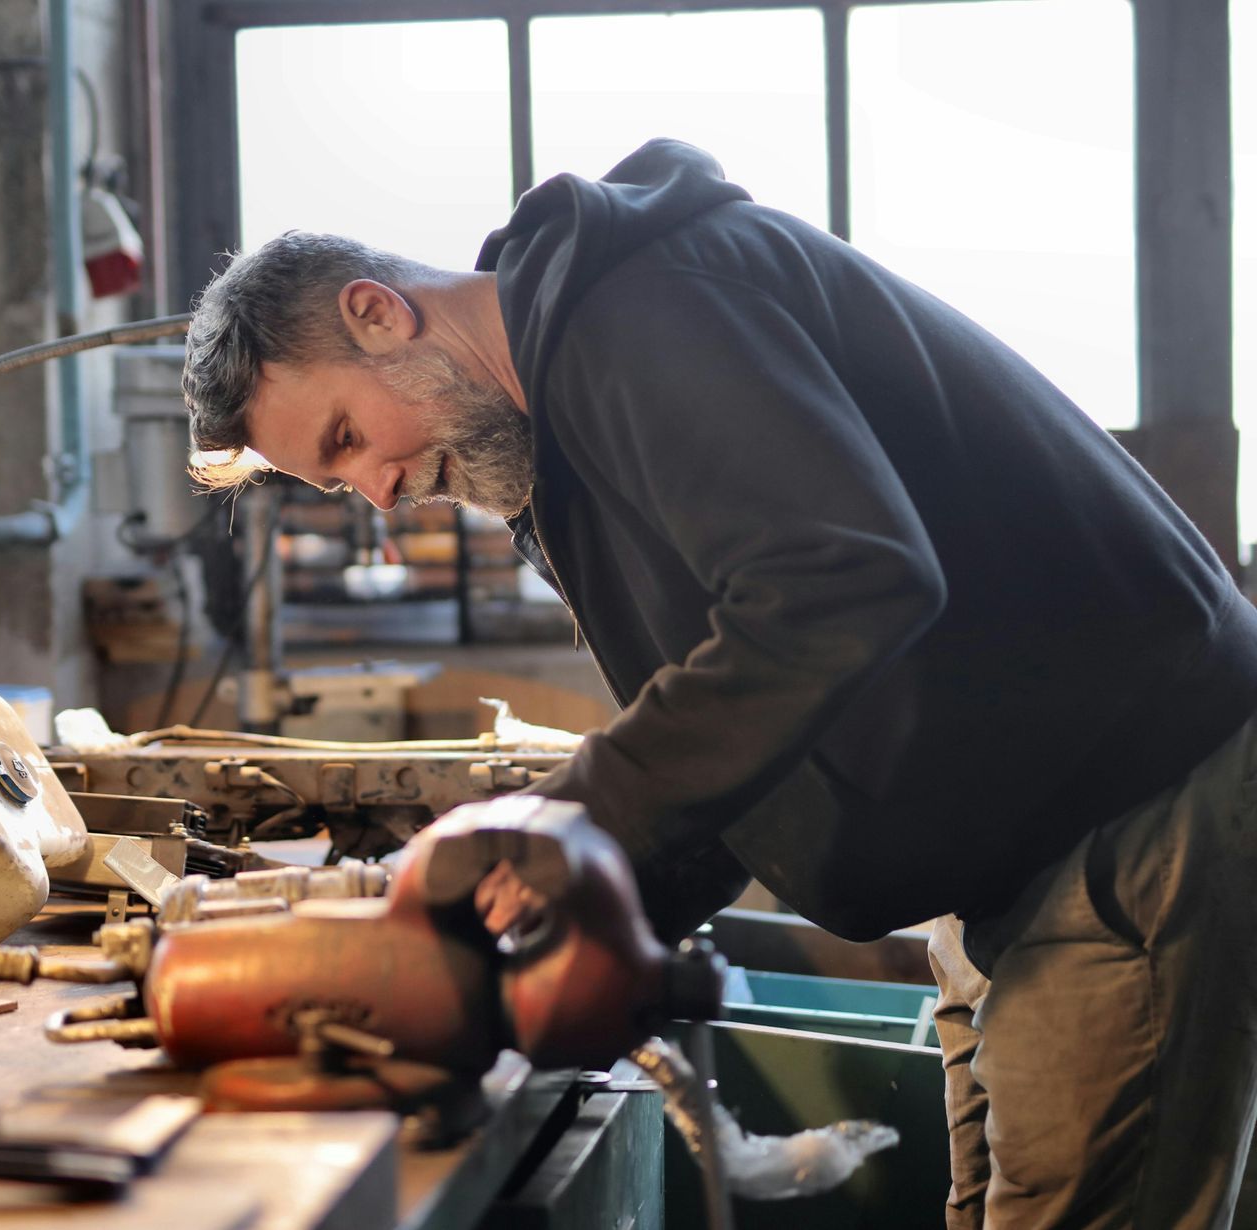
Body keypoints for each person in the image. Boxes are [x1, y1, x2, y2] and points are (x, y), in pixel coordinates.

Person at [179, 138, 1257, 1229]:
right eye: (339, 478)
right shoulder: (562, 449)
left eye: (351, 437)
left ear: (377, 312)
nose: (383, 493)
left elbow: (844, 583)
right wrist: (569, 883)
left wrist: (571, 818)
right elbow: (754, 713)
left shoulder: (643, 314)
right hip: (1018, 845)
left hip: (1128, 816)